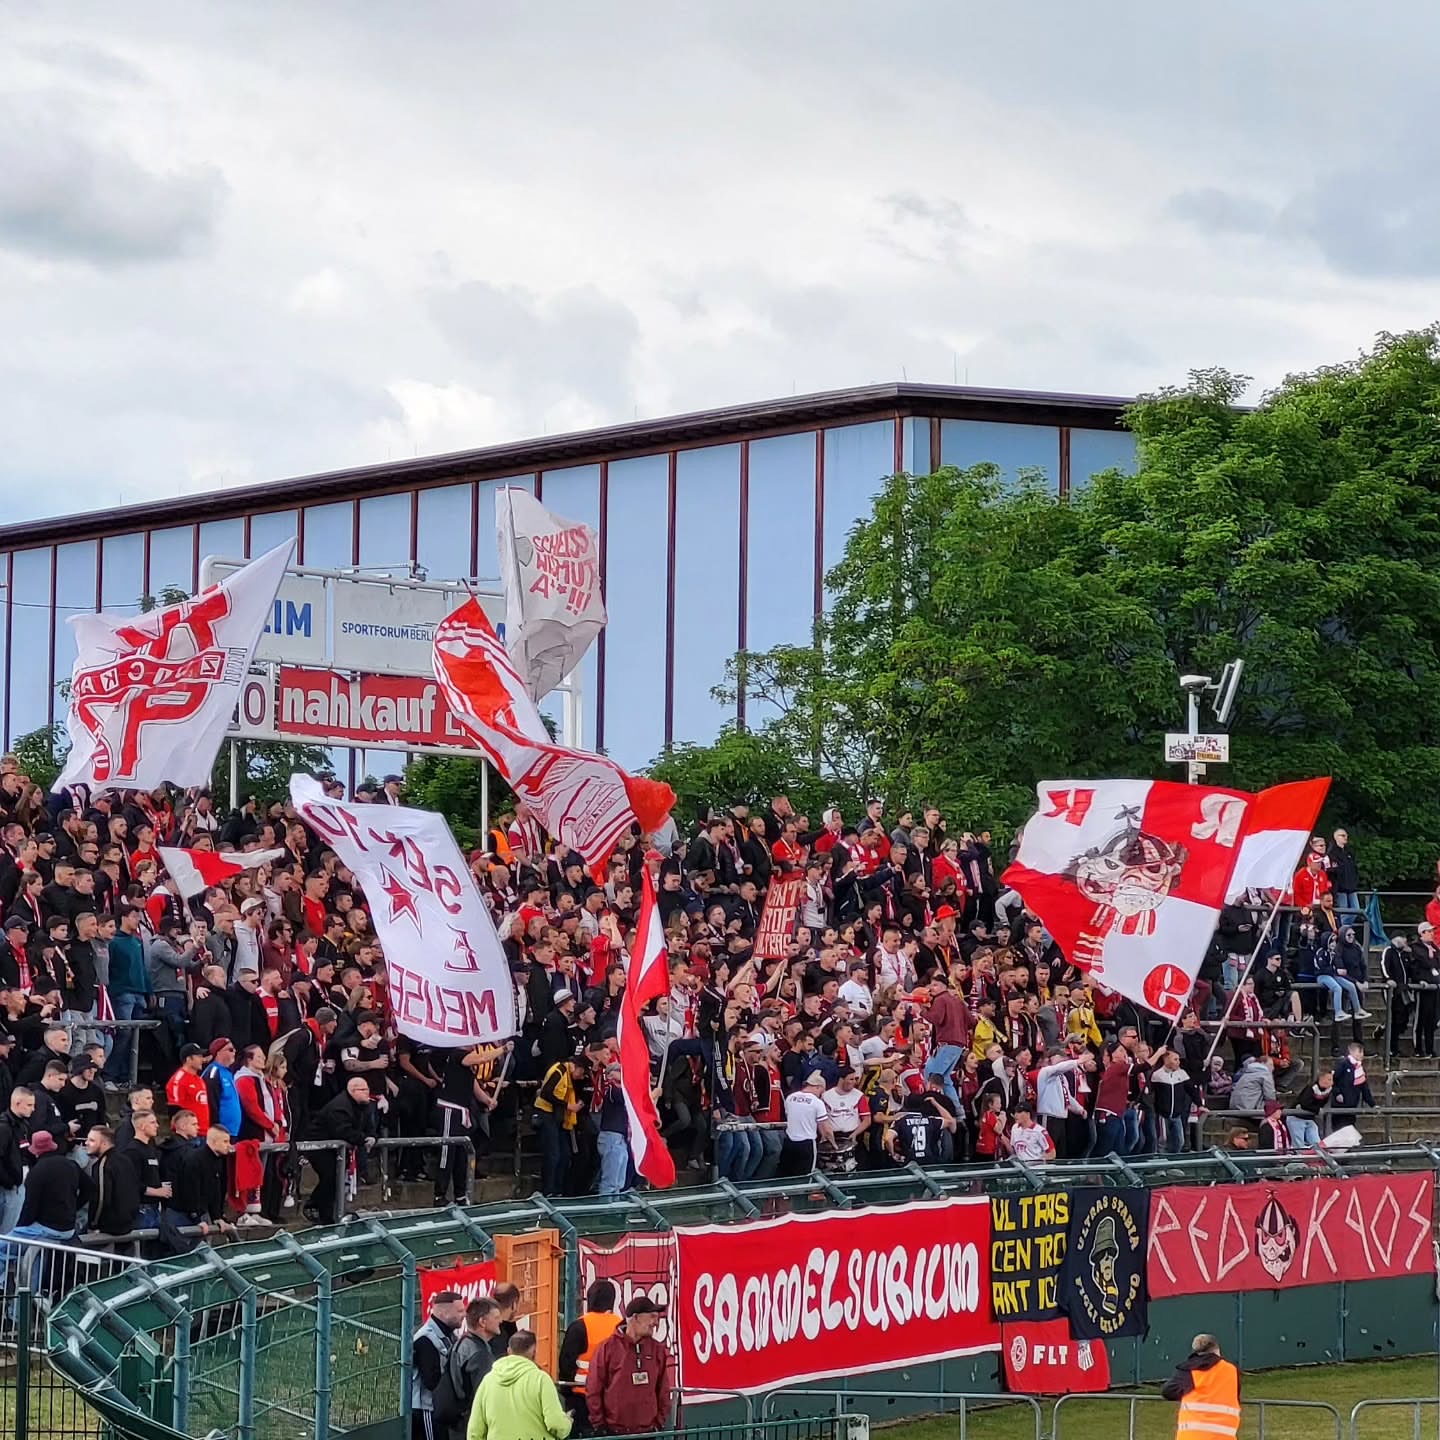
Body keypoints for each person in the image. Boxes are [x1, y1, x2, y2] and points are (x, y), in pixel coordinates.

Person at [585, 1294, 671, 1435]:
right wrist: (600, 1425)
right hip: (614, 1433)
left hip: (648, 1432)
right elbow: (594, 1388)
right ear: (635, 1318)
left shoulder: (657, 1350)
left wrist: (658, 1424)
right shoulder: (607, 1348)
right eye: (652, 1317)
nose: (656, 1323)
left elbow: (663, 1391)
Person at [467, 1330, 572, 1440]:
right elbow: (555, 1423)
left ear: (508, 1351)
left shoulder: (488, 1381)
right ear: (534, 1352)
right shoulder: (541, 1380)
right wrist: (567, 1423)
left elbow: (474, 1430)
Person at [557, 1279, 623, 1424]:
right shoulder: (621, 1326)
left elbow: (565, 1365)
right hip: (615, 1400)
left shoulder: (579, 1326)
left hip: (582, 1399)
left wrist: (568, 1395)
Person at [436, 1296, 500, 1440]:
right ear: (483, 1322)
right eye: (496, 1317)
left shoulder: (460, 1344)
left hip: (457, 1426)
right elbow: (484, 1397)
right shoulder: (479, 1354)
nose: (500, 1321)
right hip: (471, 1427)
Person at [1162, 1332, 1240, 1440]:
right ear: (1217, 1349)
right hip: (1224, 1436)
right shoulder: (1231, 1370)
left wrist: (1188, 1391)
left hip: (1192, 1435)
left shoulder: (1190, 1370)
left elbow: (1168, 1392)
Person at [413, 1290, 466, 1440]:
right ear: (443, 1313)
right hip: (426, 1410)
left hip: (439, 1408)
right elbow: (431, 1382)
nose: (464, 1315)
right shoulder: (425, 1339)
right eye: (460, 1311)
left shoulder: (449, 1334)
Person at [779, 1072, 832, 1176]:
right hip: (806, 1144)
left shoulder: (790, 1097)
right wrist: (833, 1144)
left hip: (789, 1143)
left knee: (786, 1176)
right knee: (805, 1177)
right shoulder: (817, 1102)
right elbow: (826, 1128)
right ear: (818, 1087)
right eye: (821, 1091)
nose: (821, 1094)